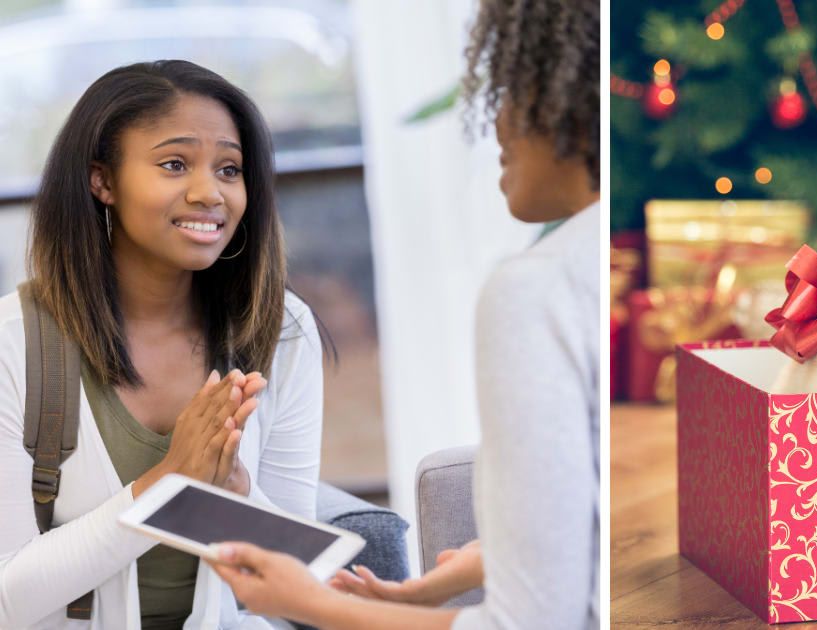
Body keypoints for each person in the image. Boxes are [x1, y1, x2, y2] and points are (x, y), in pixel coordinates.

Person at [209, 1, 601, 628]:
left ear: (567, 98)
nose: (493, 125)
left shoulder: (539, 289)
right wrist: (481, 563)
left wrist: (312, 604)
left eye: (511, 91)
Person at [0, 60, 325, 629]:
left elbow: (299, 589)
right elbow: (8, 597)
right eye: (175, 164)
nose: (210, 193)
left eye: (229, 169)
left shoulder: (278, 329)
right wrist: (168, 485)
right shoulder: (14, 341)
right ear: (102, 180)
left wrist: (237, 494)